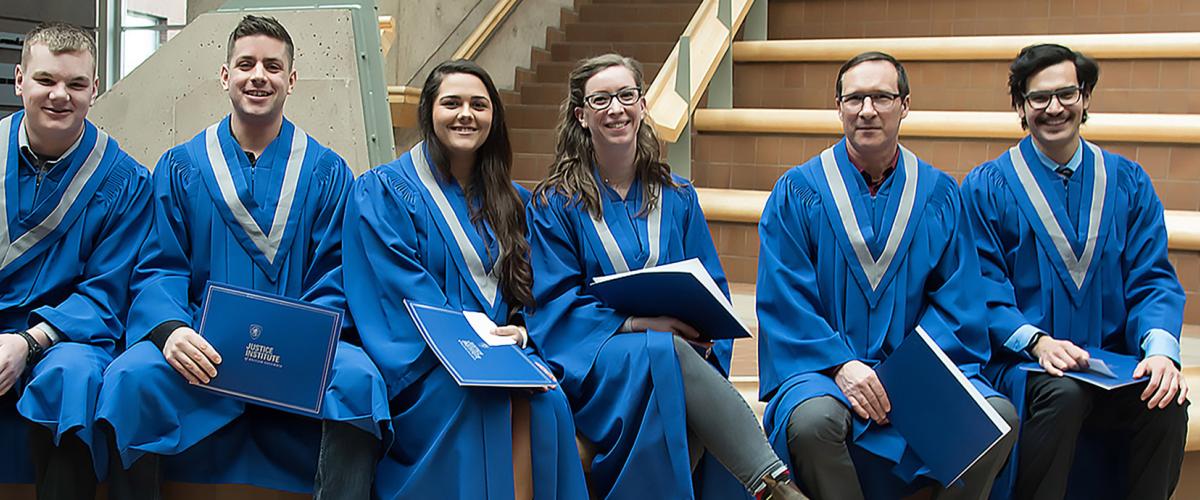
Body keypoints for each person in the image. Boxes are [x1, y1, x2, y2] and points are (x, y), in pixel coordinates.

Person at [94, 15, 389, 498]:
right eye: (246, 64)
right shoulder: (181, 166)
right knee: (130, 378)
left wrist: (295, 340)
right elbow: (158, 264)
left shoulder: (328, 172)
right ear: (225, 75)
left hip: (296, 350)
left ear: (291, 80)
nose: (259, 76)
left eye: (273, 66)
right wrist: (171, 331)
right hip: (203, 350)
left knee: (359, 382)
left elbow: (337, 273)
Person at [526, 53, 802, 500]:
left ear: (642, 104)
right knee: (666, 351)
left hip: (676, 355)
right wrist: (636, 324)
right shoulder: (555, 205)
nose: (615, 108)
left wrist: (707, 330)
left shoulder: (677, 197)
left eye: (626, 95)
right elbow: (553, 301)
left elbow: (711, 283)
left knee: (675, 366)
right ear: (581, 115)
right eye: (600, 100)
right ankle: (773, 484)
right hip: (598, 362)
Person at [755, 51, 1019, 500]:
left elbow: (958, 300)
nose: (867, 110)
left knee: (997, 417)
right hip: (824, 369)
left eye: (881, 97)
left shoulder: (938, 194)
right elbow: (786, 298)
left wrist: (905, 372)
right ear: (838, 107)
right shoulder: (798, 192)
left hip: (915, 366)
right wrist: (841, 365)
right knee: (813, 421)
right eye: (854, 98)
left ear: (905, 105)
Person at [342, 59, 588, 499]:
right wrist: (469, 348)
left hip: (499, 358)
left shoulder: (511, 201)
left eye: (479, 104)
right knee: (485, 401)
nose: (466, 114)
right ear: (429, 112)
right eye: (451, 103)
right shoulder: (383, 191)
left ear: (494, 116)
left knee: (549, 402)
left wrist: (523, 329)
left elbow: (535, 290)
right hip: (426, 367)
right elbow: (396, 293)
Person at [961, 43, 1188, 500]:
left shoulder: (1128, 181)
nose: (1054, 108)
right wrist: (1038, 342)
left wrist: (1161, 350)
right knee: (1063, 396)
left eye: (1066, 94)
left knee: (1166, 399)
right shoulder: (987, 188)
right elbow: (980, 288)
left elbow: (1153, 279)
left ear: (1085, 97)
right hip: (1026, 365)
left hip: (1111, 362)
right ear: (1021, 108)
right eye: (1038, 98)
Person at [0, 21, 152, 499]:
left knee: (74, 377)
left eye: (75, 84)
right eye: (46, 80)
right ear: (20, 79)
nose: (59, 95)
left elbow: (106, 291)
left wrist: (28, 340)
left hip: (64, 336)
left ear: (94, 90)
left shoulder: (125, 182)